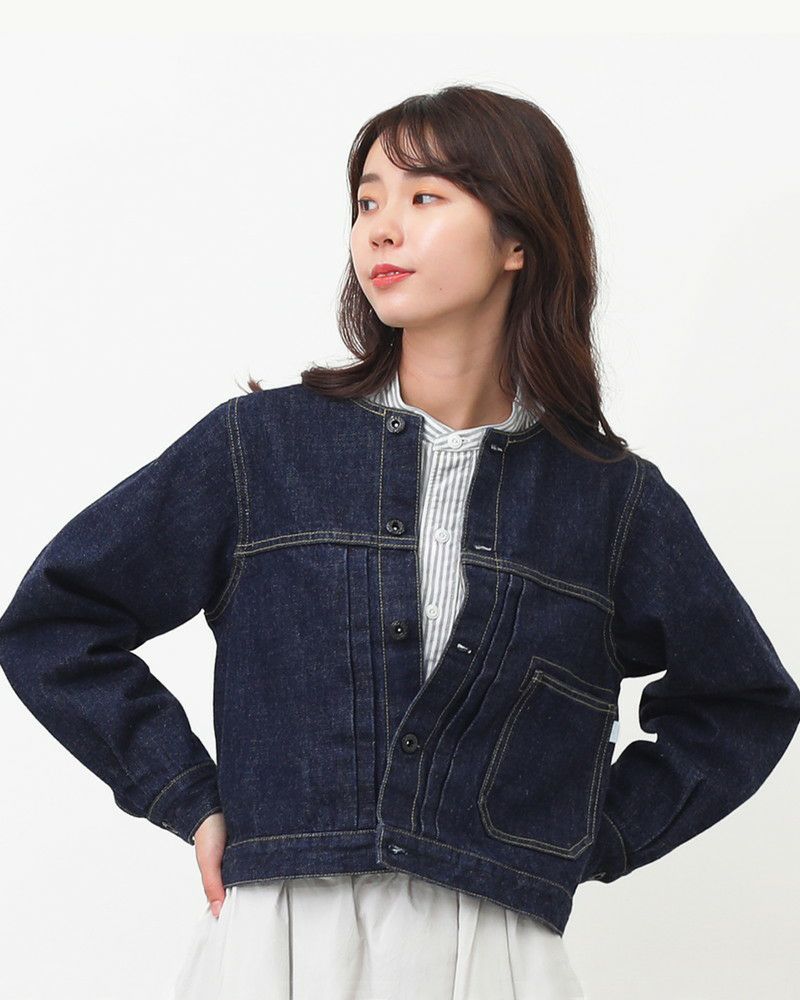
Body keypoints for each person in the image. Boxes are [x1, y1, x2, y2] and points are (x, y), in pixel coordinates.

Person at [1, 85, 798, 1000]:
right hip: (280, 945)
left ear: (517, 239)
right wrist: (185, 796)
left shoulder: (609, 500)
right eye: (367, 201)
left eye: (424, 197)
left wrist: (583, 837)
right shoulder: (263, 449)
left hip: (495, 957)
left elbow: (741, 704)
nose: (381, 228)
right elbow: (57, 623)